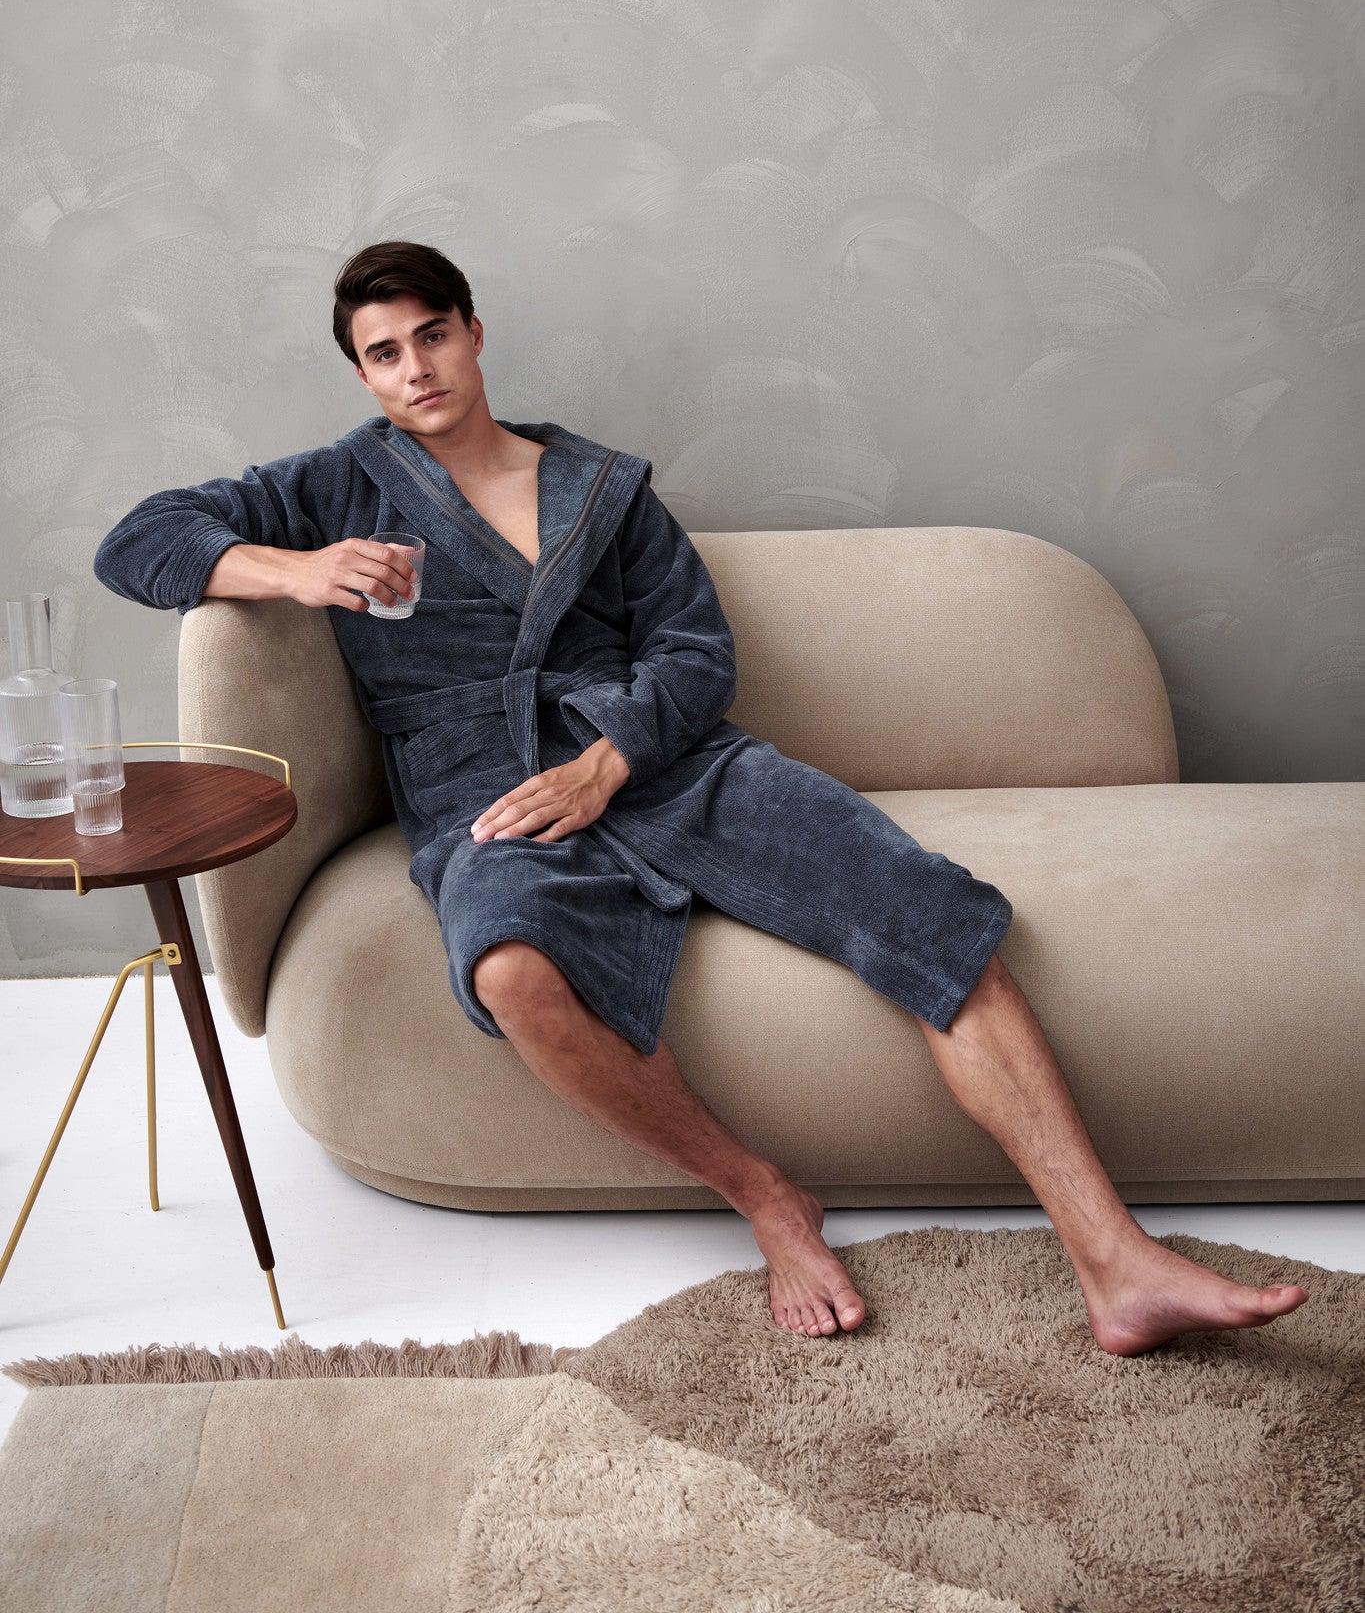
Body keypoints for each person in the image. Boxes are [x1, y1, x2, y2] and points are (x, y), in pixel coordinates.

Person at [93, 241, 1310, 1354]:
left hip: (664, 760)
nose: (416, 369)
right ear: (362, 374)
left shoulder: (601, 486)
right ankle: (764, 1195)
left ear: (473, 333)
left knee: (930, 911)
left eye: (433, 335)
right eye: (384, 353)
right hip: (484, 788)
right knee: (509, 968)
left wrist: (608, 758)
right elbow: (138, 540)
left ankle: (1114, 1257)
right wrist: (295, 569)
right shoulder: (330, 487)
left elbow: (693, 649)